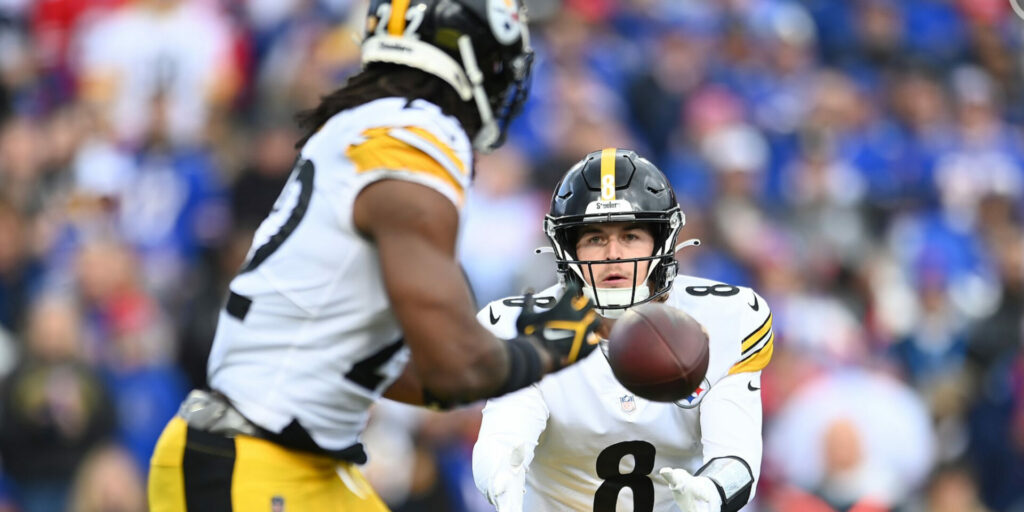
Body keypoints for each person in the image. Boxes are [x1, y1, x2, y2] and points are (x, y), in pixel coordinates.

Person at [147, 1, 603, 510]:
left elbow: (420, 372)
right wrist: (555, 346)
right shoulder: (417, 137)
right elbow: (456, 370)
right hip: (256, 460)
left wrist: (503, 348)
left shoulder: (374, 126)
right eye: (495, 62)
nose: (501, 82)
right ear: (463, 57)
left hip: (293, 458)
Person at [472, 148, 774, 512]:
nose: (613, 253)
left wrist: (712, 490)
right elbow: (505, 433)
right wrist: (498, 474)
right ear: (568, 250)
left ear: (662, 241)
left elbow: (735, 454)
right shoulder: (522, 327)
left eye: (630, 235)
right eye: (595, 238)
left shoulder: (725, 318)